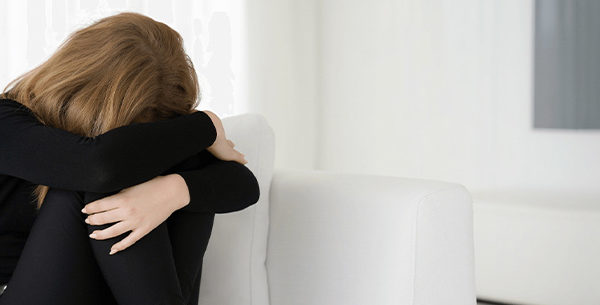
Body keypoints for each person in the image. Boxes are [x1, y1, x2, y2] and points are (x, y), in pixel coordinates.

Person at [0, 12, 260, 305]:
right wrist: (206, 125)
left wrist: (173, 191)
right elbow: (97, 167)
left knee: (172, 167)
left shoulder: (118, 155)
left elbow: (245, 185)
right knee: (102, 180)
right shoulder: (7, 121)